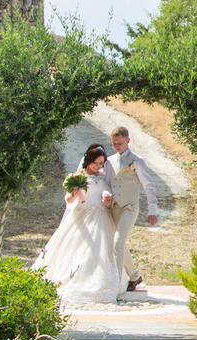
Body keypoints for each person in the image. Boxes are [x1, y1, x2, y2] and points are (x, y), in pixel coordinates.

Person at [29, 143, 124, 304]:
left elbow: (107, 190)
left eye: (101, 163)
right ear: (88, 161)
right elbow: (68, 199)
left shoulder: (103, 177)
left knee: (101, 248)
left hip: (101, 216)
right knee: (78, 247)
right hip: (82, 215)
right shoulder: (77, 176)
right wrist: (74, 194)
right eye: (95, 163)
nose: (97, 166)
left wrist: (107, 197)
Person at [105, 126, 159, 292]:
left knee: (118, 242)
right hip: (113, 207)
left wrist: (152, 210)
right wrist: (106, 194)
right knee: (118, 244)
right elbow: (107, 183)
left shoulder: (137, 160)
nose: (117, 146)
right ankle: (134, 276)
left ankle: (116, 285)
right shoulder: (109, 160)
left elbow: (148, 185)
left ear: (128, 141)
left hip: (129, 207)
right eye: (114, 143)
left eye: (120, 143)